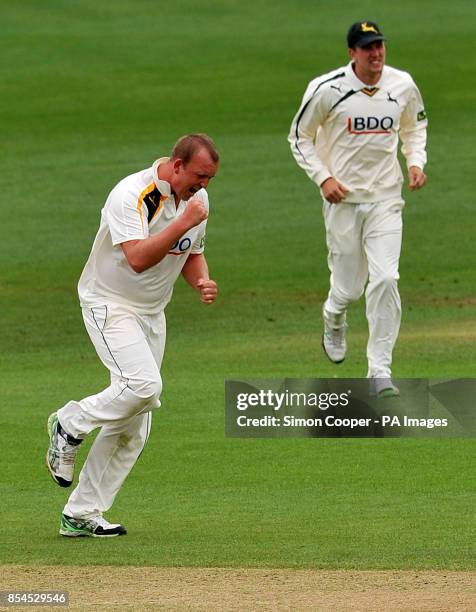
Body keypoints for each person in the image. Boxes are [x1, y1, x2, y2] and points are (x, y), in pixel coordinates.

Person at [46, 133, 220, 537]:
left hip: (151, 313)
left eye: (210, 178)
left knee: (135, 423)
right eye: (199, 176)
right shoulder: (131, 194)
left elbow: (192, 251)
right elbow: (139, 258)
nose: (204, 187)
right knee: (142, 386)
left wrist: (201, 281)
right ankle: (69, 421)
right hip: (109, 304)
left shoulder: (197, 201)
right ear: (177, 165)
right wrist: (183, 221)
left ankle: (82, 513)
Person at [288, 21, 428, 396]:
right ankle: (334, 315)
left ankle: (379, 370)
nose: (376, 54)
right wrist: (323, 178)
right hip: (343, 200)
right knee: (349, 289)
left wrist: (415, 161)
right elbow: (299, 138)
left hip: (386, 199)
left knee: (385, 279)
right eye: (367, 48)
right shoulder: (326, 89)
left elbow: (414, 128)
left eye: (379, 46)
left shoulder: (402, 85)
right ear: (352, 53)